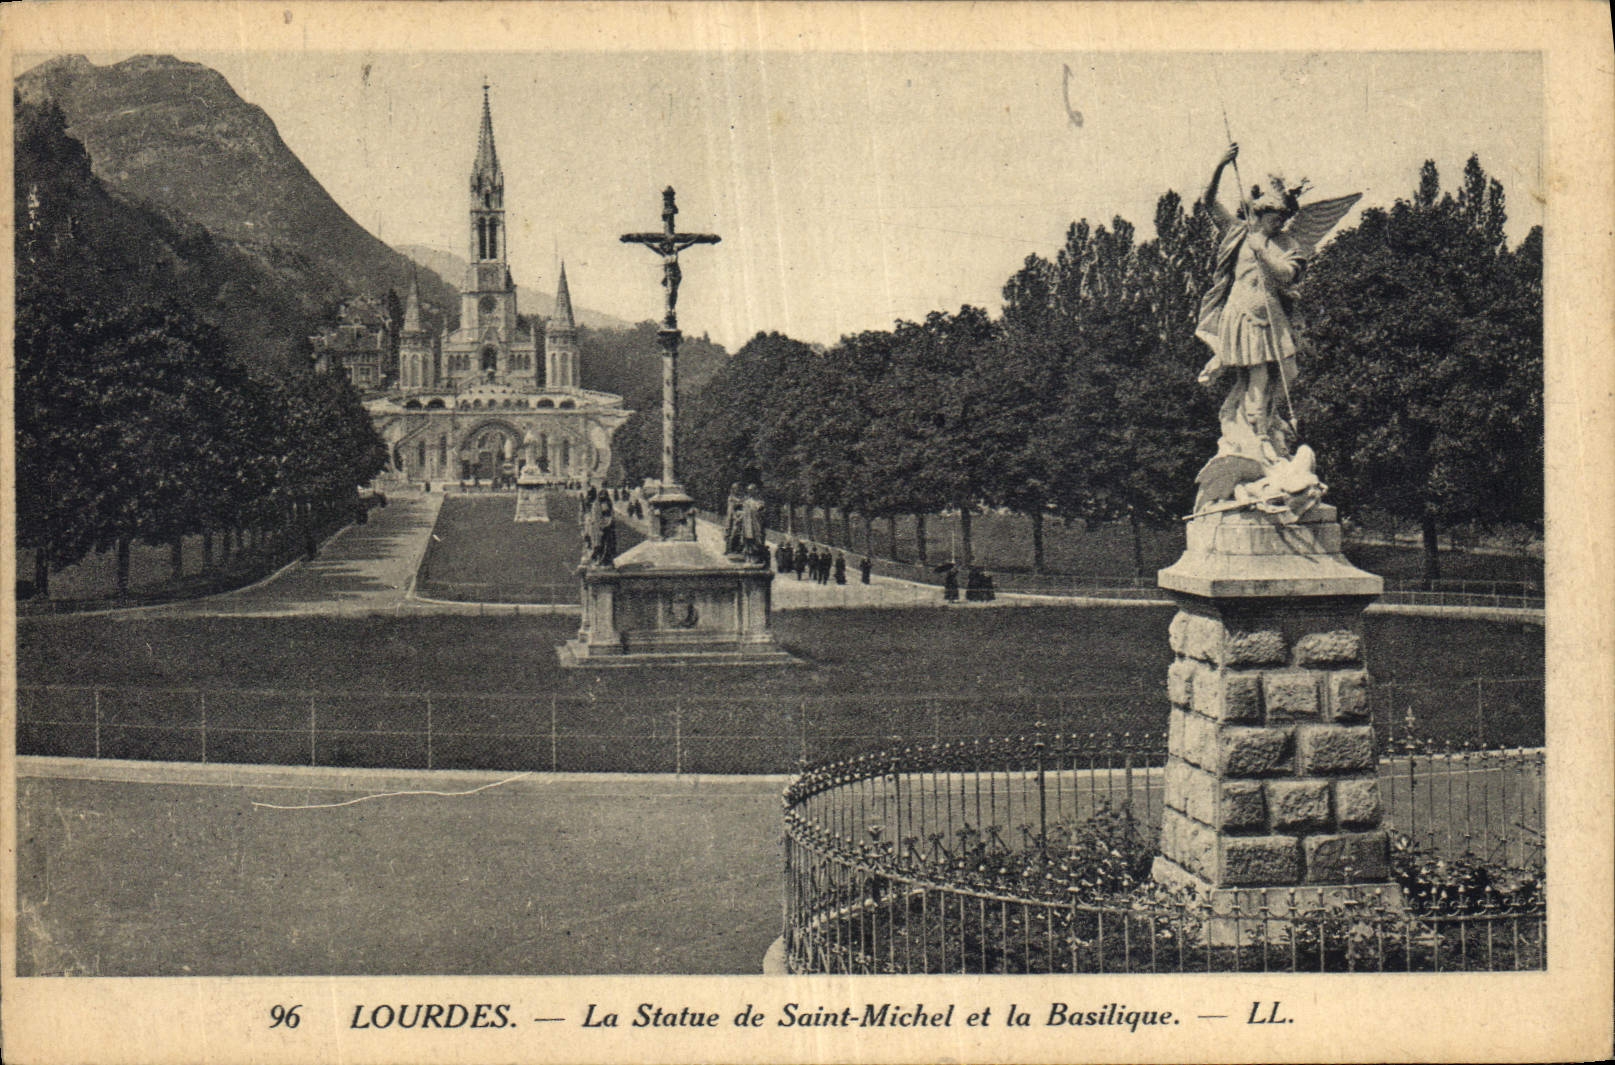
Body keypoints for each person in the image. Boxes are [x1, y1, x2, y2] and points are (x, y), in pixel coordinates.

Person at [1195, 142, 1360, 465]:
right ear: (1260, 213)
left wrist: (1264, 251)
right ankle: (1259, 441)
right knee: (1257, 378)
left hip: (1273, 319)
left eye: (1283, 219)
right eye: (1274, 218)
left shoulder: (1287, 243)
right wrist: (1220, 164)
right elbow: (1207, 201)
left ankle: (1265, 426)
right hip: (1242, 317)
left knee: (1286, 373)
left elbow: (1286, 275)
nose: (1280, 224)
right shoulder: (1237, 232)